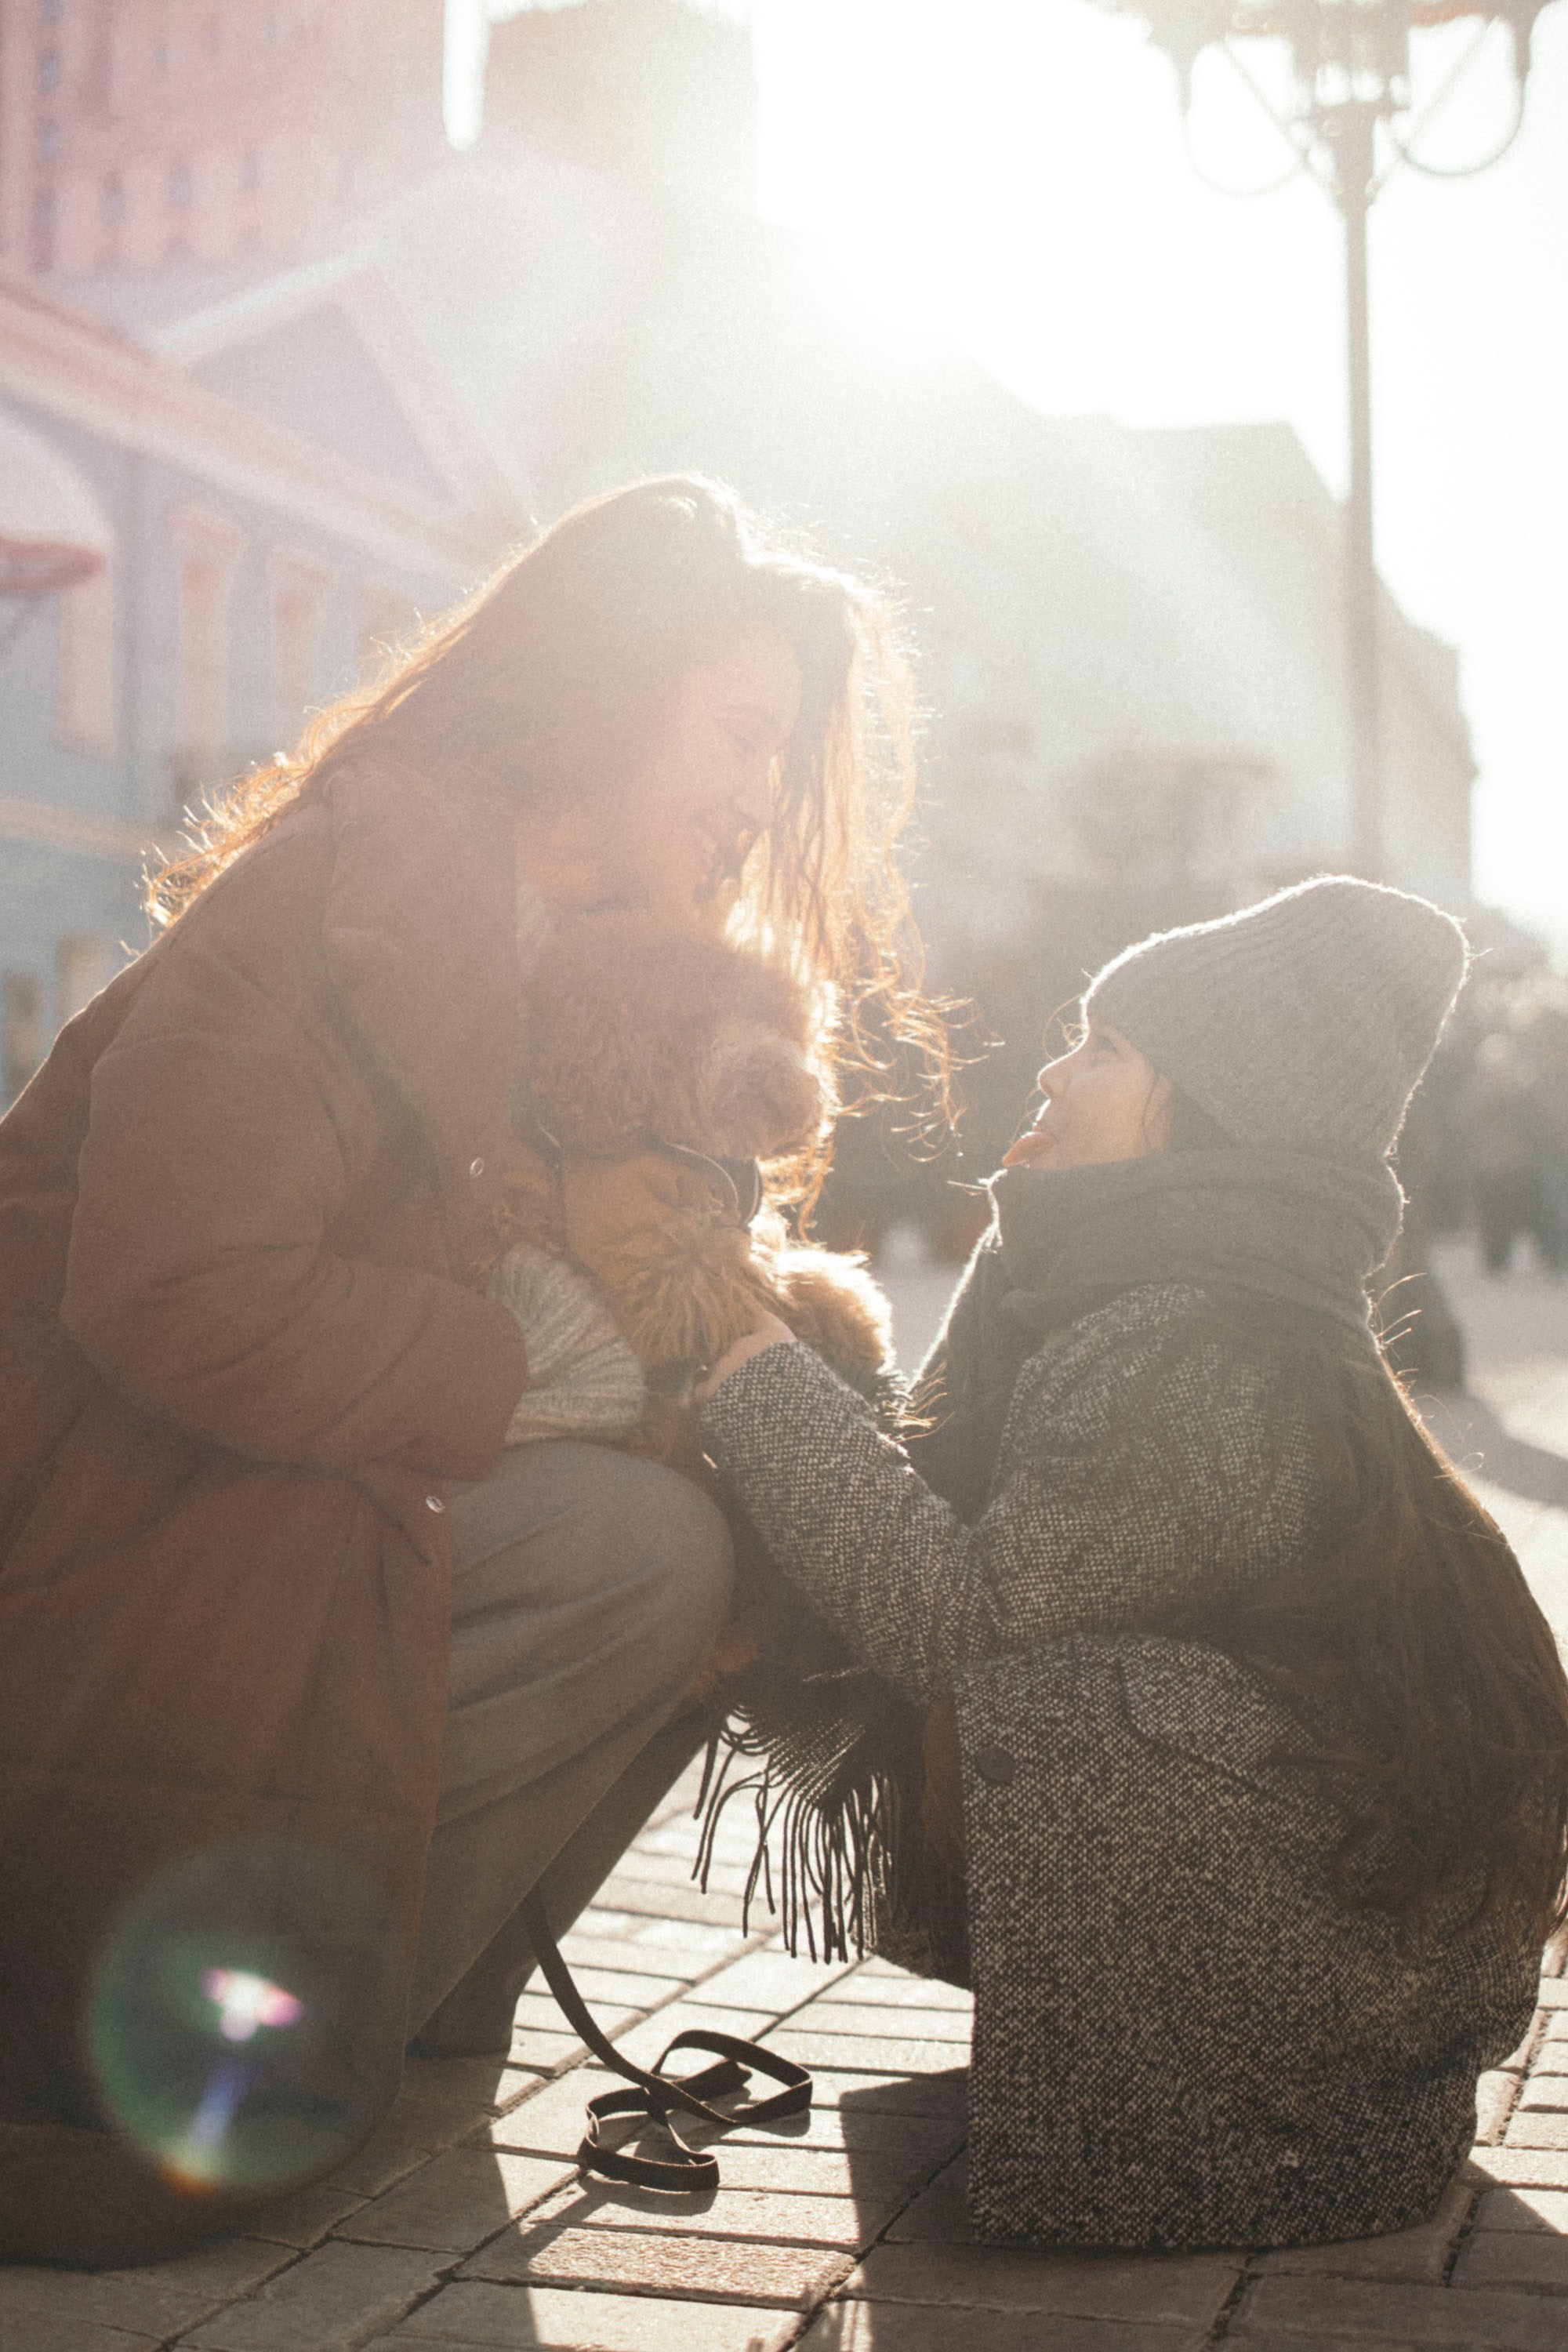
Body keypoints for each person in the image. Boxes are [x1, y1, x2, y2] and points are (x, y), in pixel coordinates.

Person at [0, 476, 936, 2266]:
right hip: (90, 1544)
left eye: (782, 754)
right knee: (643, 1550)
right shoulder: (349, 893)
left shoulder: (557, 953)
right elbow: (171, 1289)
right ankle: (236, 2033)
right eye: (737, 736)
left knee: (706, 1532)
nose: (758, 800)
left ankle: (394, 2022)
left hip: (231, 1501)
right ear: (604, 692)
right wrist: (541, 1365)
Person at [699, 877, 1568, 2252]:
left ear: (1210, 1108)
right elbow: (913, 1511)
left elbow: (959, 1621)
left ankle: (1236, 2106)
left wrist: (745, 1362)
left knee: (1056, 1704)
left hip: (1356, 1985)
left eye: (1102, 1046)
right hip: (1348, 1911)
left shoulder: (1208, 1344)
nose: (1052, 1066)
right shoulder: (1124, 1282)